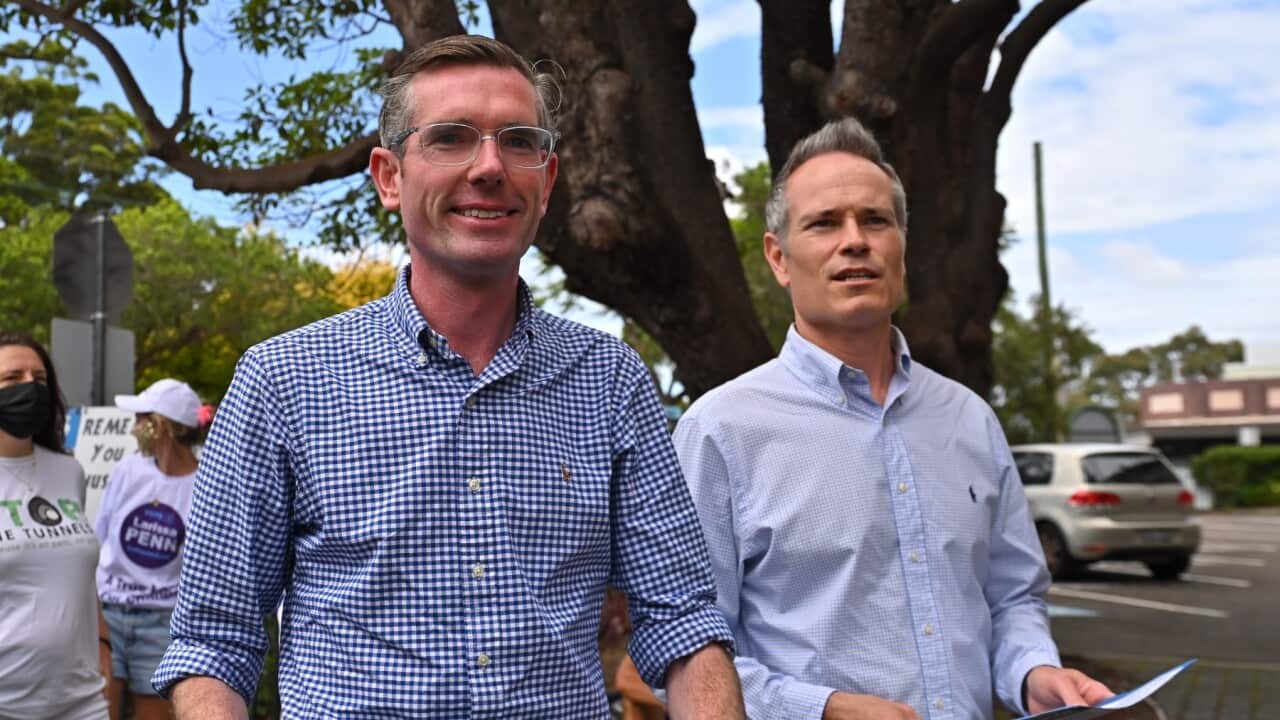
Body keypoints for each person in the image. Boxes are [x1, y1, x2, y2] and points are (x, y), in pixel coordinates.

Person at [153, 35, 743, 718]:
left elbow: (684, 624)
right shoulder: (282, 383)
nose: (490, 166)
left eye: (519, 141)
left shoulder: (610, 381)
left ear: (547, 182)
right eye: (451, 138)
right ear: (389, 177)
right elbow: (213, 644)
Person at [672, 118, 1112, 720]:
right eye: (824, 223)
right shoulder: (720, 432)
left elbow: (1013, 600)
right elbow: (687, 647)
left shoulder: (971, 420)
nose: (855, 241)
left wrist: (1032, 672)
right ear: (778, 256)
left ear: (902, 243)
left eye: (875, 220)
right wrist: (817, 709)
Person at [0, 331, 110, 720]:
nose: (30, 387)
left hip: (84, 702)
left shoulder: (69, 472)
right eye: (13, 379)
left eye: (40, 378)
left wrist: (104, 654)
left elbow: (81, 579)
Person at [95, 378, 202, 720]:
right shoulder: (128, 470)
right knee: (98, 711)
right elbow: (101, 534)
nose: (134, 426)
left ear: (162, 426)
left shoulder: (204, 484)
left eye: (142, 417)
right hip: (109, 614)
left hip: (163, 621)